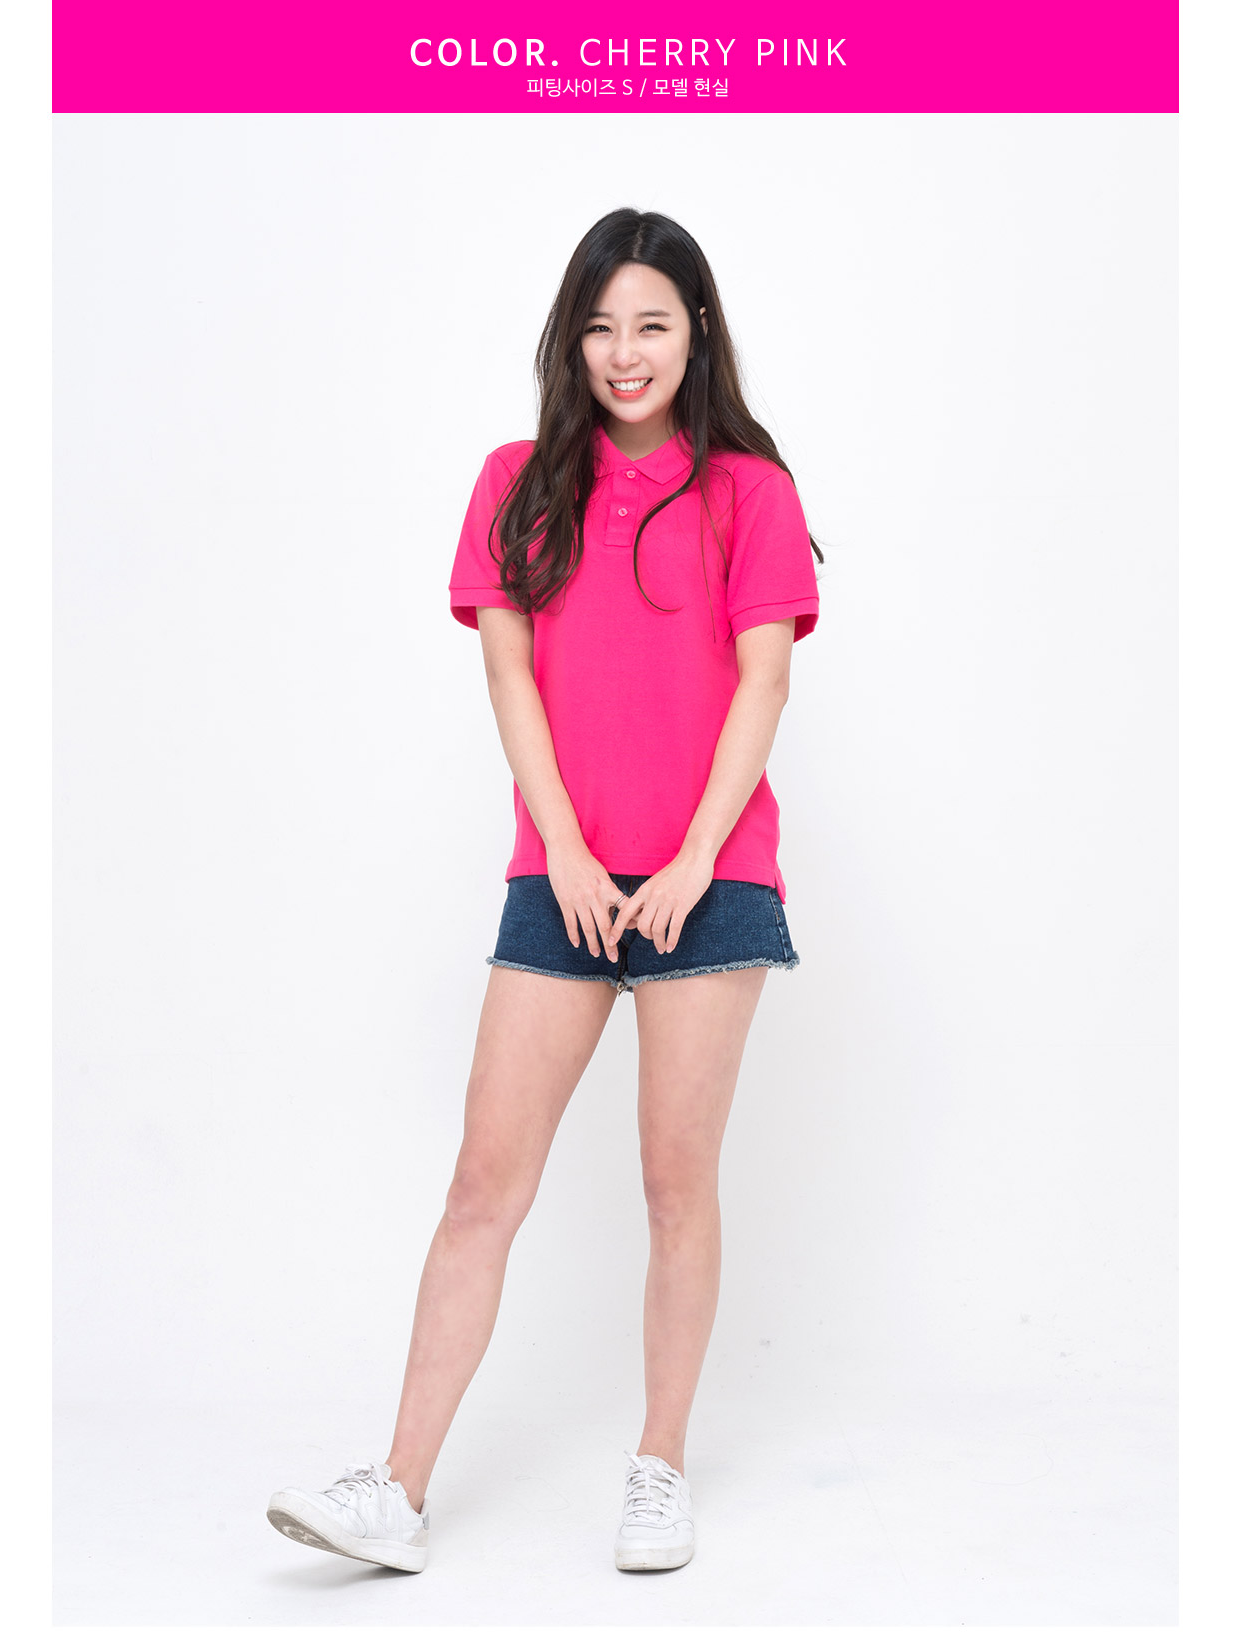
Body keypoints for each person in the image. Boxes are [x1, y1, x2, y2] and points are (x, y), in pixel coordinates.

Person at [267, 207, 823, 1576]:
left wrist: (690, 857)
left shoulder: (749, 490)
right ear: (569, 340)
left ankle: (659, 1466)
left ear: (696, 334)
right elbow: (509, 672)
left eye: (652, 324)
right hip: (560, 872)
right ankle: (396, 1491)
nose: (625, 352)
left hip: (710, 878)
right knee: (483, 1185)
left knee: (674, 1182)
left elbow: (762, 680)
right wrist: (566, 849)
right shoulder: (515, 482)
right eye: (600, 325)